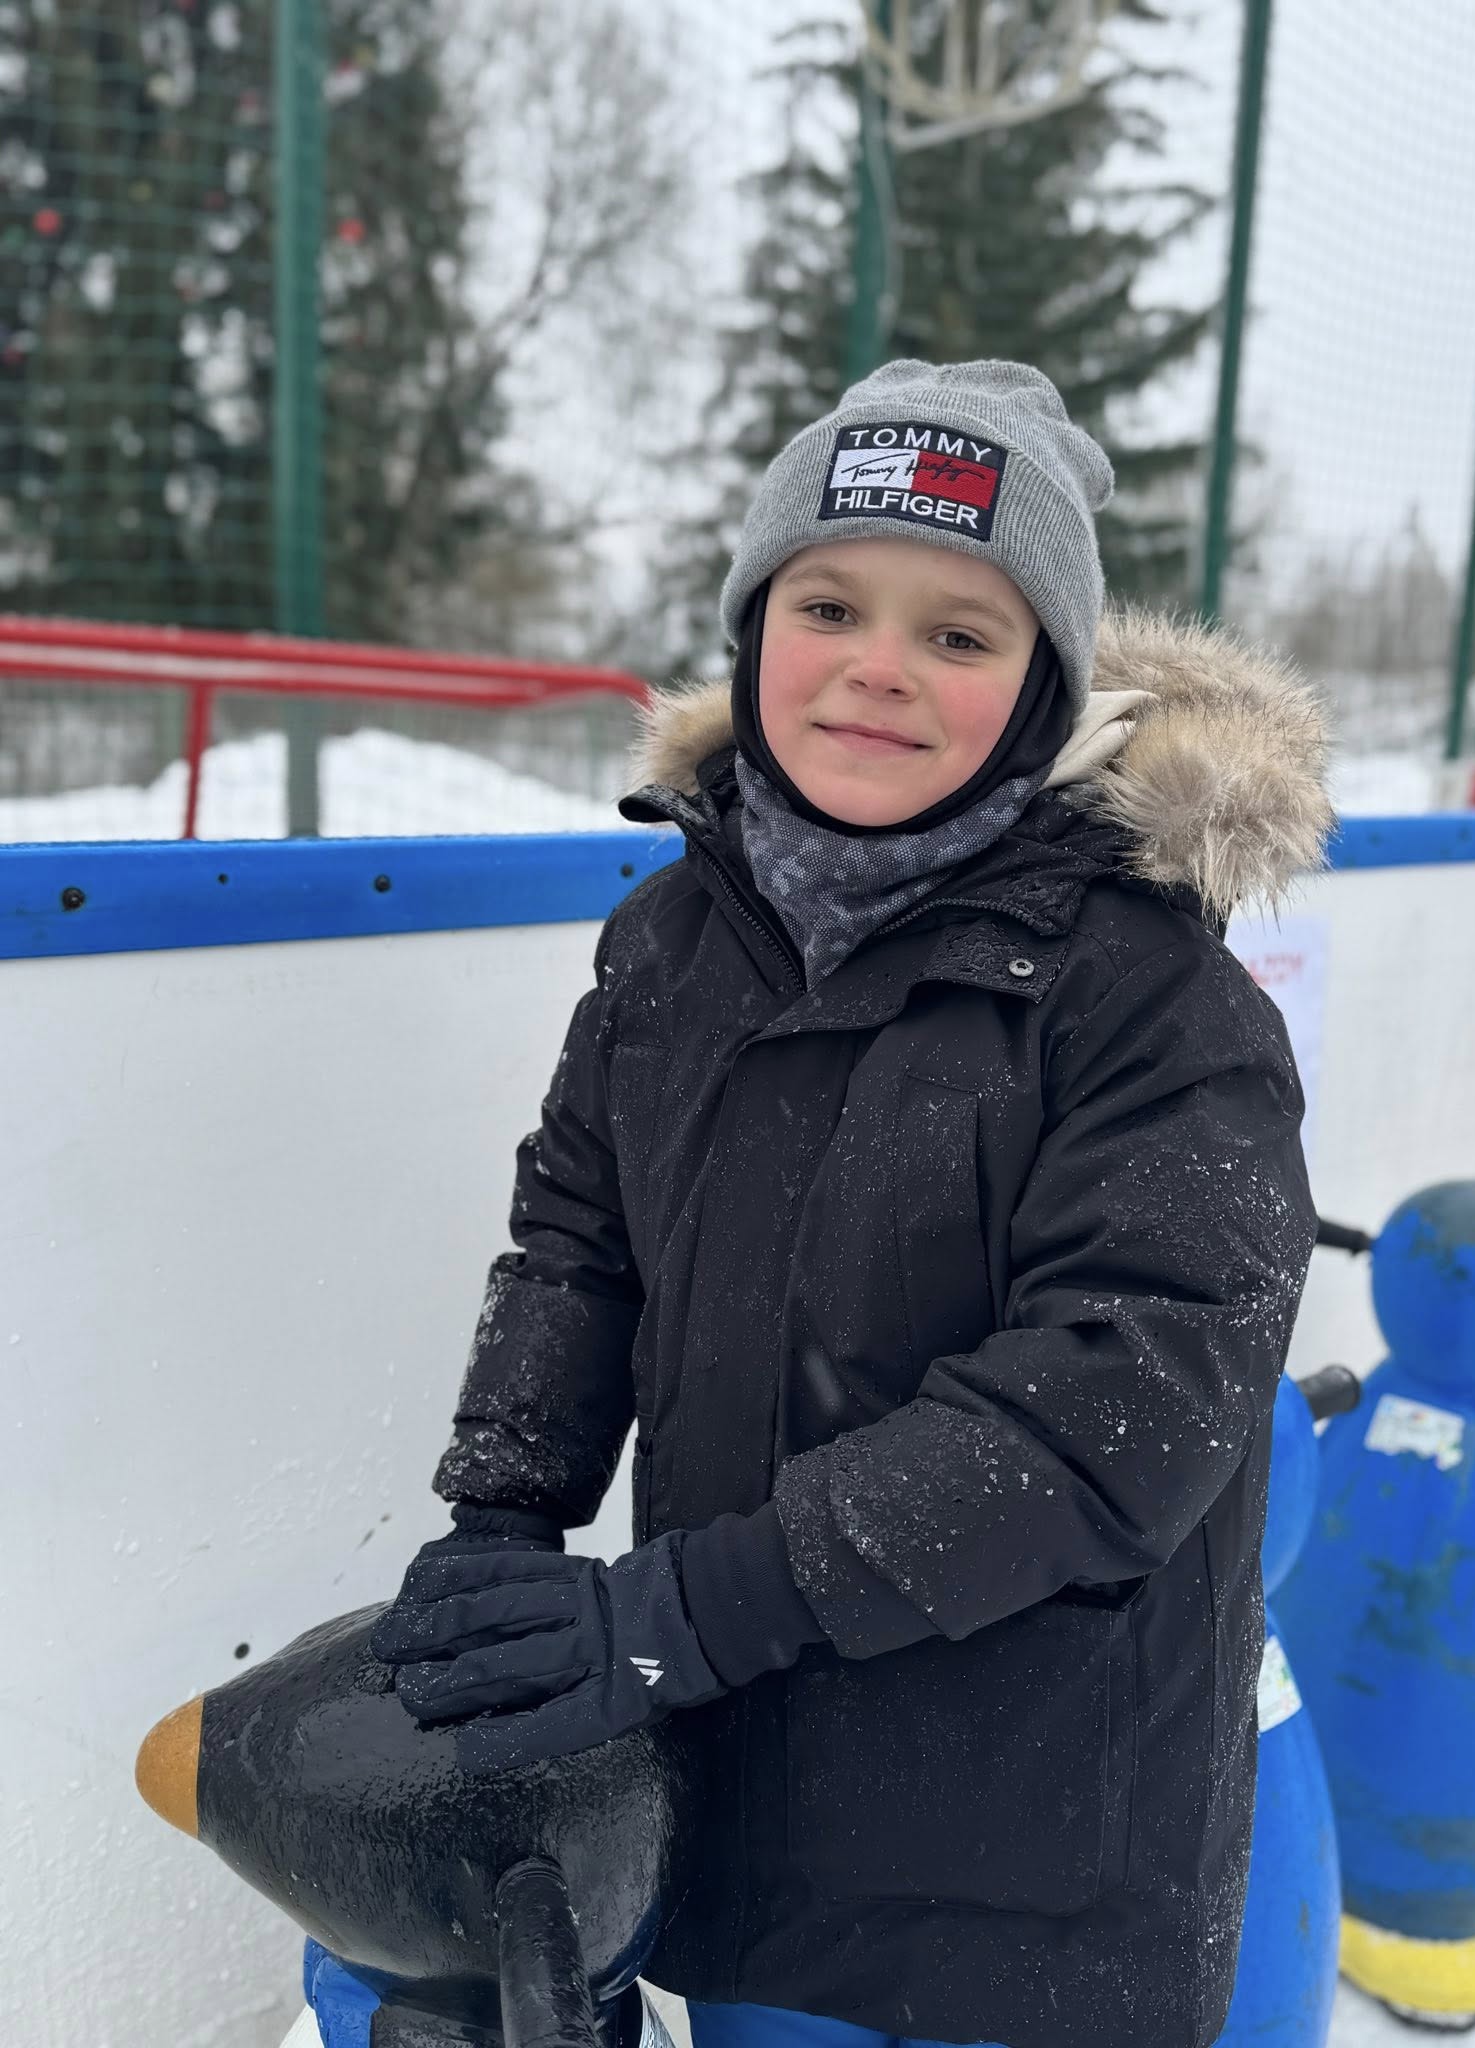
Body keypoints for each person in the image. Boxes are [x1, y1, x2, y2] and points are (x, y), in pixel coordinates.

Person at [371, 360, 1330, 2048]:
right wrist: (502, 1518)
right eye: (829, 606)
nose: (879, 666)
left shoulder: (1151, 997)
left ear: (1041, 690)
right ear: (754, 634)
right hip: (750, 1801)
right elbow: (580, 1240)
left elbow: (1122, 1409)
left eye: (959, 633)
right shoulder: (671, 942)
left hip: (1034, 1860)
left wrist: (670, 1618)